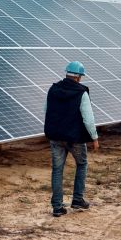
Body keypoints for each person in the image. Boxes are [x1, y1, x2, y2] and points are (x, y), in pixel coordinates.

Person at [43, 61, 99, 217]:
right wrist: (94, 137)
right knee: (82, 164)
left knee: (57, 170)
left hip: (55, 136)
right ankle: (77, 199)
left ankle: (57, 207)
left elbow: (46, 110)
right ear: (79, 77)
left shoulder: (53, 89)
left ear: (67, 74)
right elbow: (88, 118)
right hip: (75, 138)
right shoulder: (81, 92)